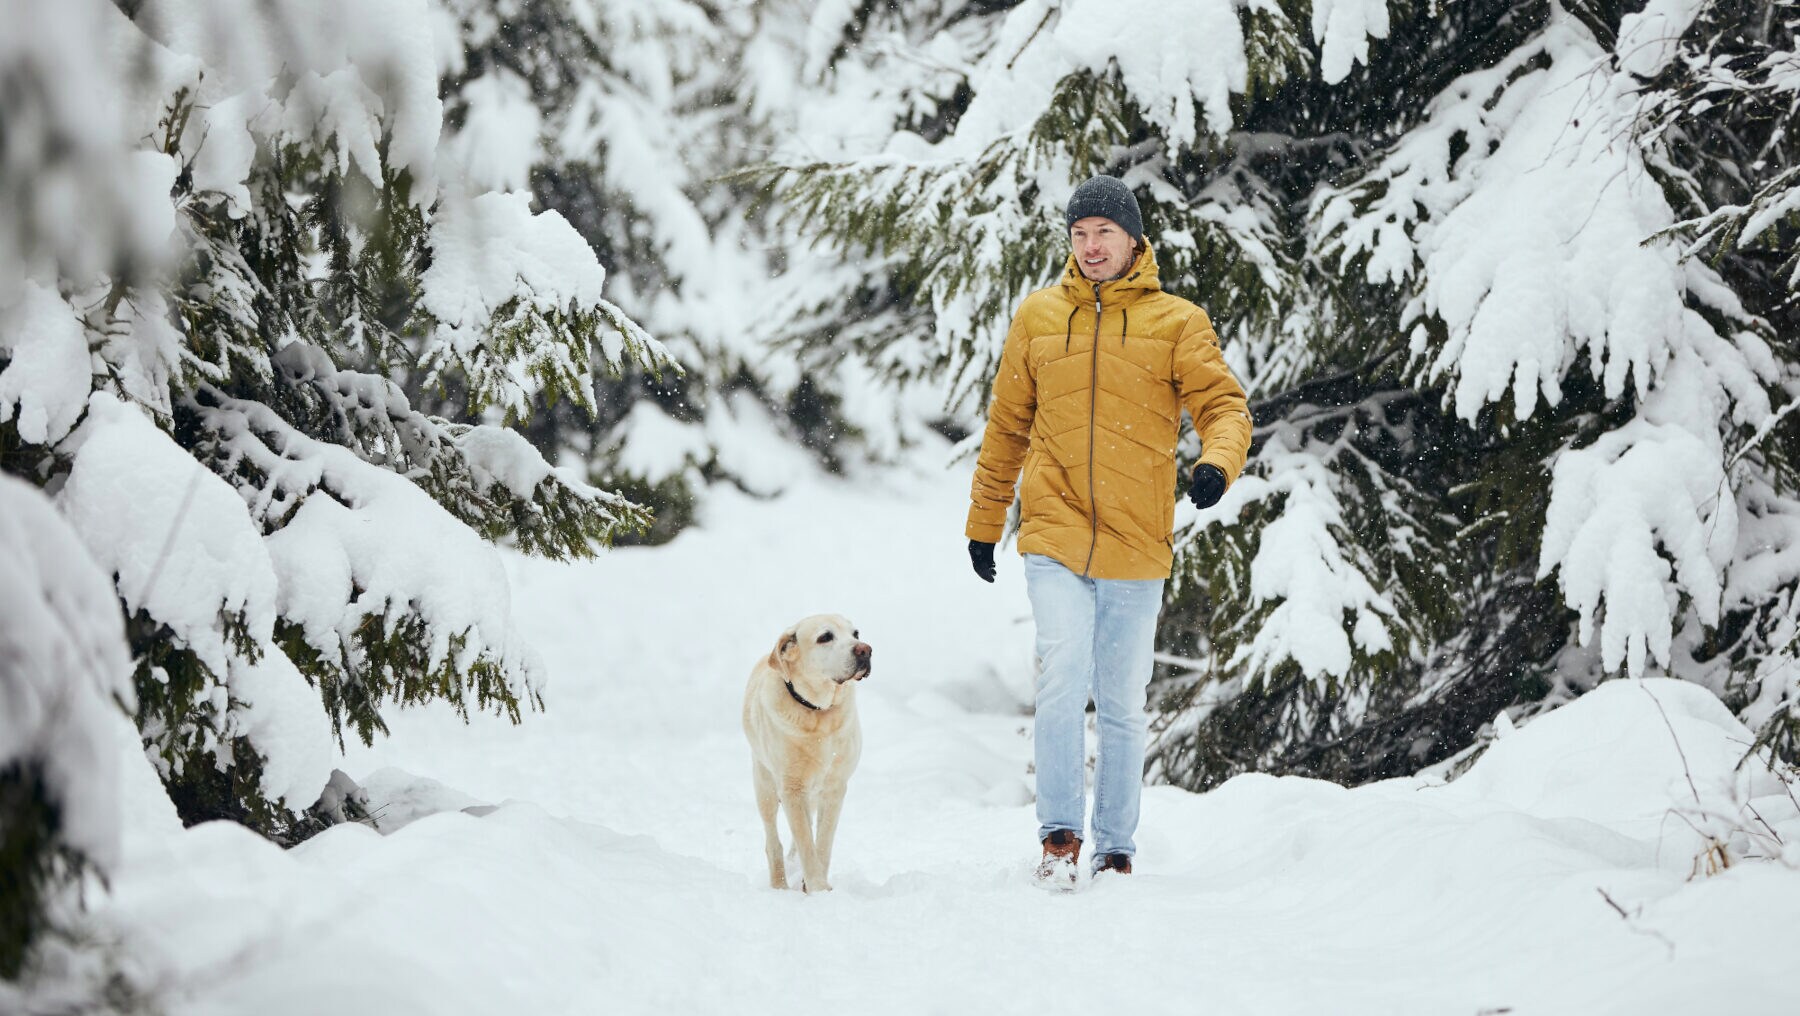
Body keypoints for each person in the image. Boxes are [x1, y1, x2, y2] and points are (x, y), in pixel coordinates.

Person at [965, 175, 1252, 888]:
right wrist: (984, 522)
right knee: (1063, 672)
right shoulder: (1038, 317)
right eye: (1080, 234)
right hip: (1054, 528)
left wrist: (1217, 465)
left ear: (1133, 239)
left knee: (1122, 701)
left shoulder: (1177, 323)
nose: (1091, 247)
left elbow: (1224, 407)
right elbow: (1007, 427)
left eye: (1104, 233)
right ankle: (1060, 837)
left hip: (1136, 537)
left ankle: (1115, 848)